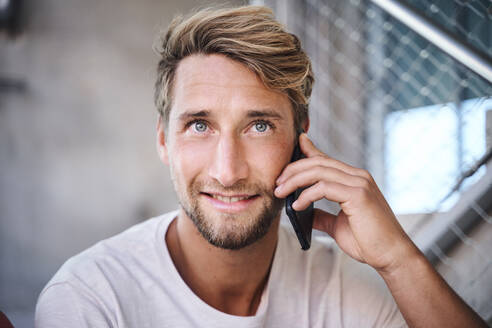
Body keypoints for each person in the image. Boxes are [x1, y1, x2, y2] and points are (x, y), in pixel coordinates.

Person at [35, 5, 487, 328]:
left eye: (259, 127)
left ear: (300, 136)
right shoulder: (90, 298)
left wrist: (397, 261)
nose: (227, 171)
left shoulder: (343, 290)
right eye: (199, 125)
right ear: (163, 140)